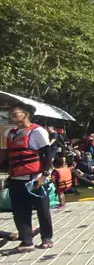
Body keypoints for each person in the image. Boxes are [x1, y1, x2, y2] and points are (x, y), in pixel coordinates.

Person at [0, 104, 54, 251]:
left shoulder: (37, 132)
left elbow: (48, 155)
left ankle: (46, 238)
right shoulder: (10, 134)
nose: (11, 115)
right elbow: (5, 158)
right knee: (19, 212)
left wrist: (44, 175)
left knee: (42, 210)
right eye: (10, 113)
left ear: (26, 114)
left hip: (34, 179)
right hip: (16, 179)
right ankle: (26, 241)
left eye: (14, 112)